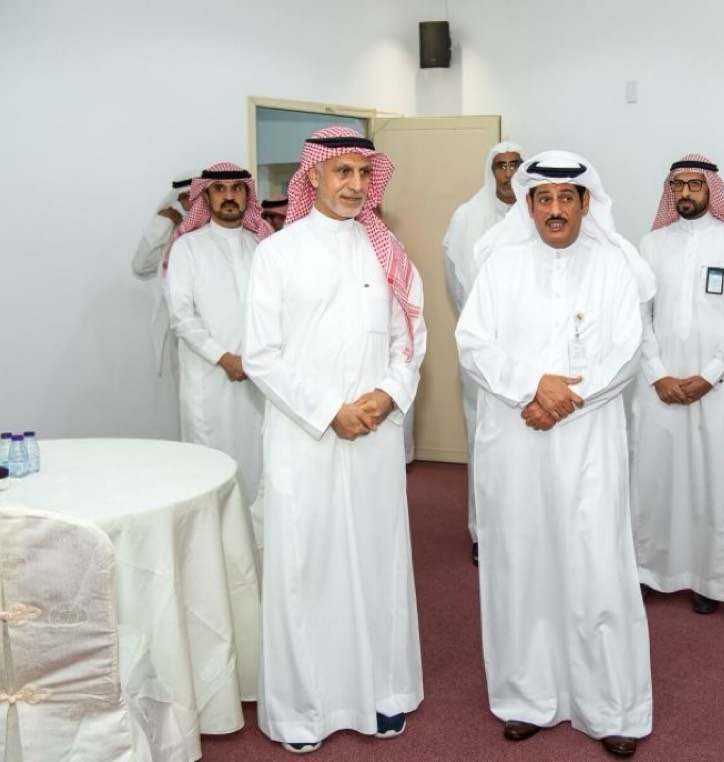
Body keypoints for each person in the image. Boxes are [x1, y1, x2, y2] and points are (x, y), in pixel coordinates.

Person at [456, 150, 654, 758]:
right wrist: (531, 388)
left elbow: (627, 350)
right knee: (521, 564)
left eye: (567, 198)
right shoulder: (500, 263)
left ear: (586, 203)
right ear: (529, 205)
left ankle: (611, 706)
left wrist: (566, 399)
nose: (556, 210)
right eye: (543, 199)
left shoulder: (614, 265)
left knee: (597, 565)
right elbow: (472, 343)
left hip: (588, 440)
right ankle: (526, 697)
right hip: (515, 440)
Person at [243, 126, 426, 754]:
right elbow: (261, 355)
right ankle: (304, 712)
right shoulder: (277, 254)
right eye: (341, 171)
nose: (354, 184)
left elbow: (411, 338)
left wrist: (388, 394)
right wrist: (329, 412)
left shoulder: (388, 251)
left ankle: (383, 693)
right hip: (305, 438)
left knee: (377, 561)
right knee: (308, 566)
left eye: (363, 173)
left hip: (374, 433)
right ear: (313, 176)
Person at [631, 153, 724, 615]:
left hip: (719, 386)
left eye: (694, 184)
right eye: (677, 185)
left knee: (714, 481)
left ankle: (710, 579)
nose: (685, 192)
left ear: (711, 189)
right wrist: (657, 373)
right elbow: (638, 315)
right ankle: (646, 570)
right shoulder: (651, 244)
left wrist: (709, 375)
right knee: (654, 478)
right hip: (660, 384)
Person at [164, 163, 271, 508]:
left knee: (259, 462)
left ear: (247, 195)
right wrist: (223, 358)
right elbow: (181, 316)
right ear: (205, 196)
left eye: (237, 189)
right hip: (208, 379)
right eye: (220, 189)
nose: (229, 196)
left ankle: (257, 537)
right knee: (211, 467)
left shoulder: (261, 247)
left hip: (258, 377)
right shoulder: (188, 248)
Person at [441, 140, 524, 565]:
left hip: (530, 353)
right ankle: (483, 531)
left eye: (515, 165)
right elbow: (456, 284)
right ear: (489, 171)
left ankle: (525, 528)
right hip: (483, 352)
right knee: (484, 440)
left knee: (527, 443)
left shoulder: (536, 212)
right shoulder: (467, 217)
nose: (508, 173)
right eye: (500, 166)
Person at [132, 171, 195, 377]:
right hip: (176, 326)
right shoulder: (172, 228)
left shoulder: (217, 230)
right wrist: (163, 224)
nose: (188, 202)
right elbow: (141, 267)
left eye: (192, 196)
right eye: (183, 197)